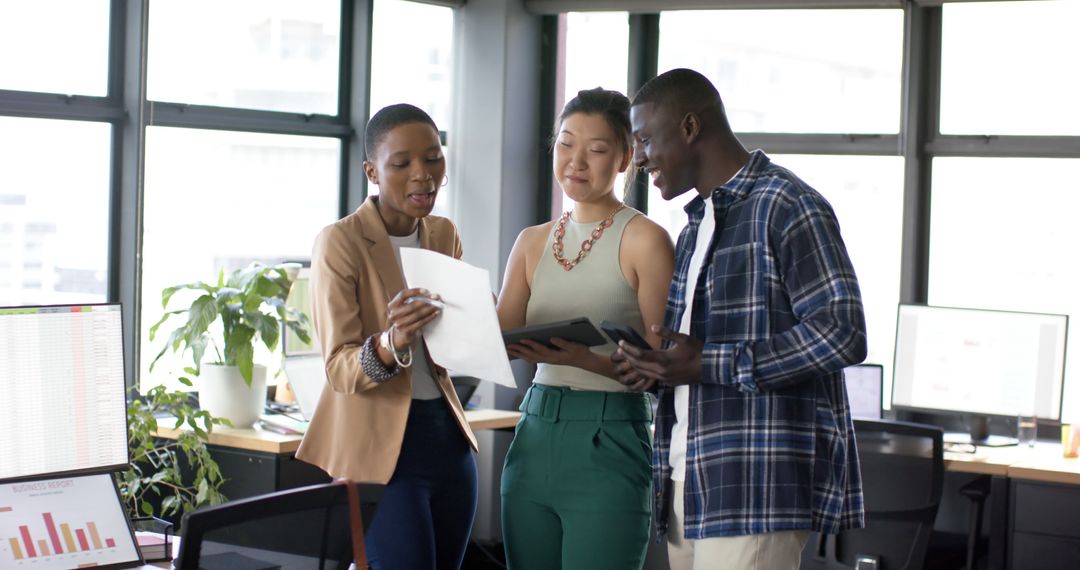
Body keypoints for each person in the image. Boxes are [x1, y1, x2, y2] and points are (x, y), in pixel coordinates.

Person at [613, 68, 868, 570]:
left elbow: (843, 333)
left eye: (644, 140)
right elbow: (693, 360)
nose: (637, 159)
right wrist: (656, 369)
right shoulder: (695, 225)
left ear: (689, 127)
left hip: (756, 485)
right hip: (688, 477)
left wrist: (709, 363)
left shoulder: (787, 205)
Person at [497, 87, 675, 570]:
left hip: (611, 435)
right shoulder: (531, 242)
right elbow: (498, 341)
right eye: (565, 144)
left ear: (624, 159)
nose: (576, 161)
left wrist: (585, 360)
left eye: (596, 150)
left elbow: (662, 368)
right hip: (534, 432)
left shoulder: (646, 240)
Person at [296, 104, 478, 570]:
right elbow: (339, 368)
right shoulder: (340, 241)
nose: (423, 175)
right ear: (372, 172)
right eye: (402, 164)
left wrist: (477, 318)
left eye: (434, 158)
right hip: (380, 450)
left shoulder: (443, 233)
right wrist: (392, 341)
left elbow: (448, 346)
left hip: (447, 438)